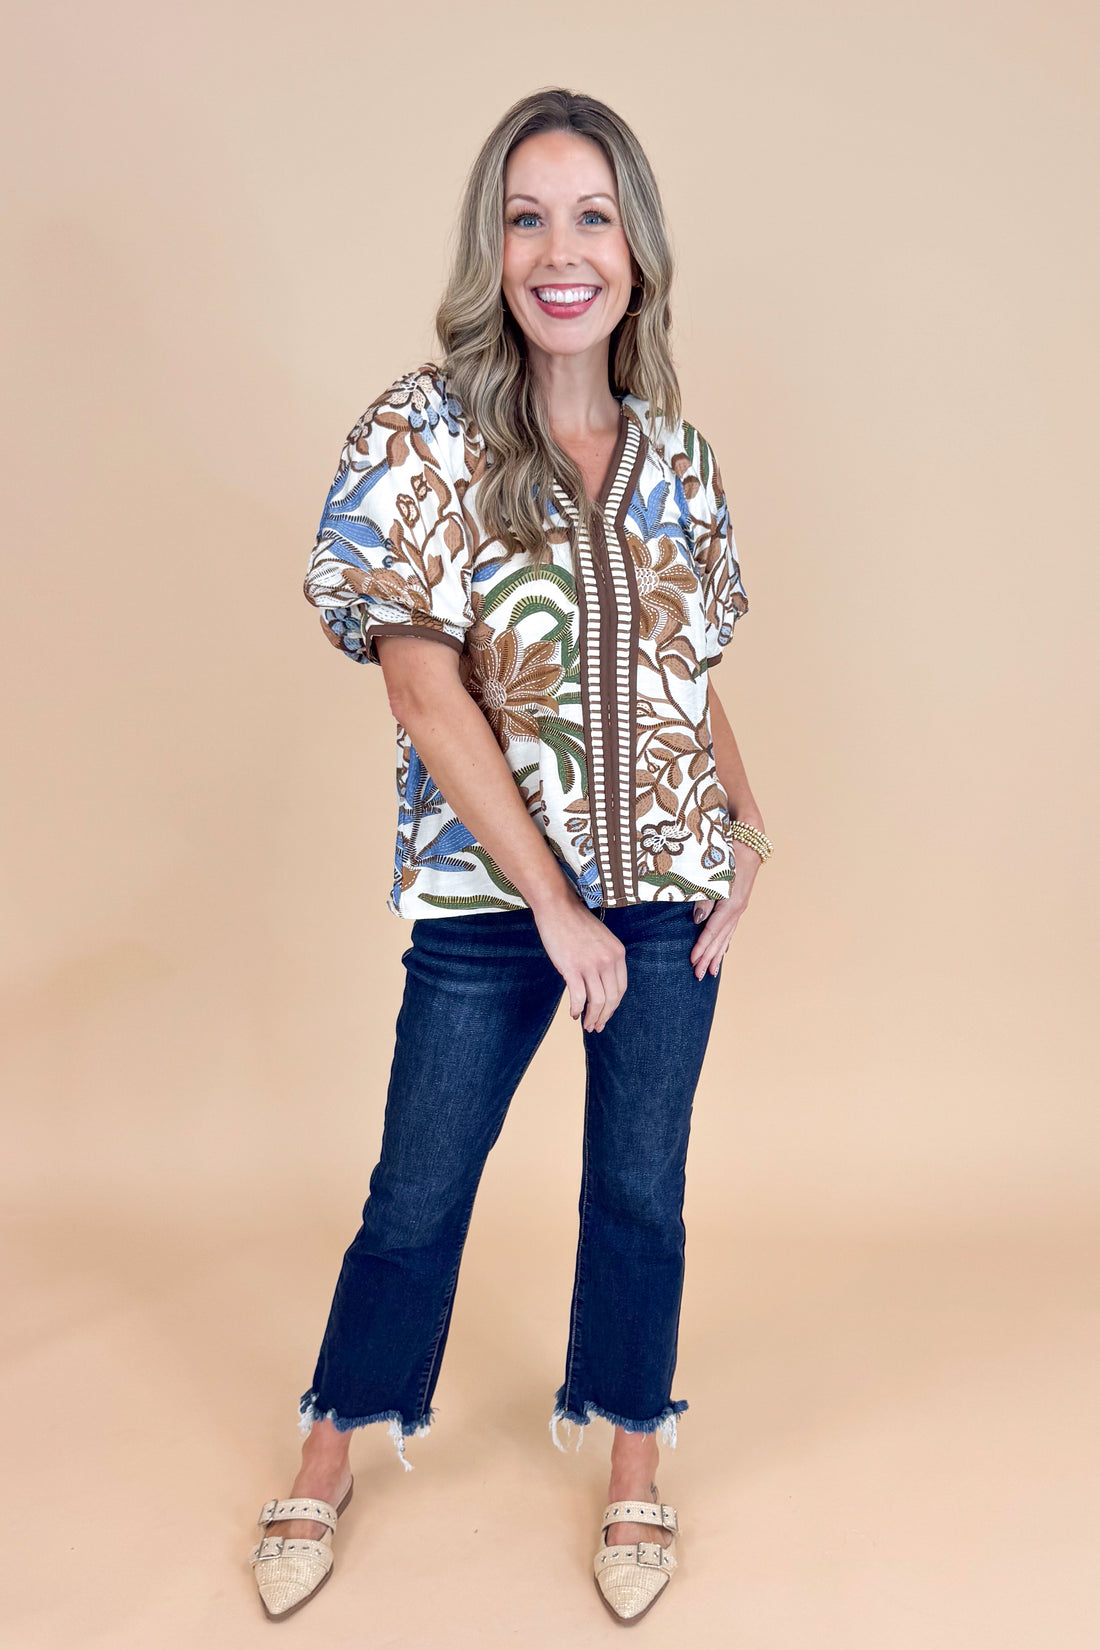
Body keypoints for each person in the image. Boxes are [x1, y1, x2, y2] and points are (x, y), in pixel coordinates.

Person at [247, 86, 772, 1626]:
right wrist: (552, 903)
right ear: (493, 246)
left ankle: (633, 1462)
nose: (561, 251)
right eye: (528, 217)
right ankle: (329, 1450)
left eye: (593, 217)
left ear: (636, 250)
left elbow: (687, 676)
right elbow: (422, 687)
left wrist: (745, 826)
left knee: (642, 1189)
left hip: (665, 896)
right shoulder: (421, 436)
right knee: (417, 1190)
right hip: (493, 900)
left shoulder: (678, 460)